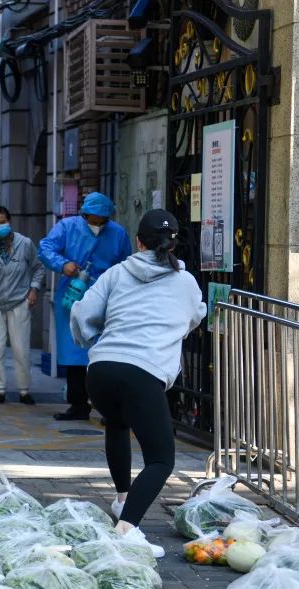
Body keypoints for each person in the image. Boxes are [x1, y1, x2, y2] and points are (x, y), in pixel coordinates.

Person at [70, 209, 206, 556]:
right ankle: (126, 529)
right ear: (173, 245)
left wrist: (91, 340)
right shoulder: (185, 281)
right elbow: (195, 316)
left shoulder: (117, 273)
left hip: (101, 370)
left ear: (138, 242)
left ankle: (122, 499)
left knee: (117, 423)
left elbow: (83, 313)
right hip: (143, 373)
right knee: (160, 460)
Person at [38, 191, 131, 421]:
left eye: (102, 221)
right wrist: (63, 264)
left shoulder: (118, 233)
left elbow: (126, 265)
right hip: (74, 293)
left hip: (106, 296)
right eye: (94, 220)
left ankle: (108, 408)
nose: (98, 225)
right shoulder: (67, 227)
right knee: (74, 352)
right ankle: (78, 404)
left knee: (106, 353)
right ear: (85, 214)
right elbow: (45, 248)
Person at [0, 205, 44, 405]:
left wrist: (34, 289)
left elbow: (39, 268)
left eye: (3, 222)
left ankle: (24, 390)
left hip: (19, 302)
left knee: (21, 349)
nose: (0, 226)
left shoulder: (25, 244)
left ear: (10, 221)